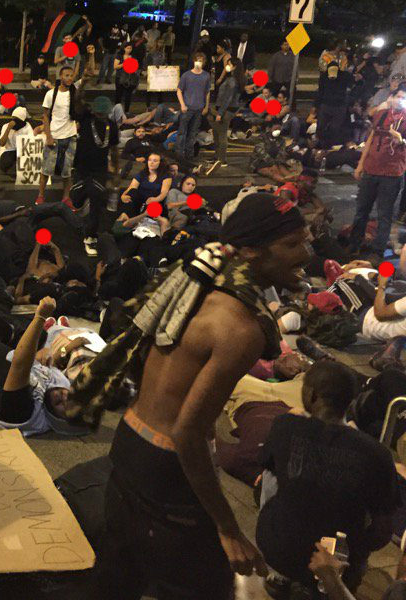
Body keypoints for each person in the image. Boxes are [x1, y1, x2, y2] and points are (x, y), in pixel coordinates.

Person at [76, 193, 313, 599]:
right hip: (168, 470)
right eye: (292, 244)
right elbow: (187, 431)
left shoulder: (196, 286)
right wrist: (228, 528)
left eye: (306, 240)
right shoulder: (242, 329)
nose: (306, 252)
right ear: (252, 250)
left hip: (130, 444)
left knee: (117, 580)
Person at [256, 361, 400, 596]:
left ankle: (280, 576)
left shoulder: (285, 426)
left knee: (270, 477)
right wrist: (355, 551)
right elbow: (382, 531)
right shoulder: (377, 454)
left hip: (279, 549)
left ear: (311, 394)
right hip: (340, 563)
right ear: (351, 401)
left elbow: (271, 486)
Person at [348, 88, 406, 257]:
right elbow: (370, 140)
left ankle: (378, 250)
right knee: (362, 209)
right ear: (391, 98)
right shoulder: (381, 115)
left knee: (384, 213)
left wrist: (400, 139)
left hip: (392, 173)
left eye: (404, 98)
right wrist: (360, 165)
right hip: (371, 169)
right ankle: (354, 243)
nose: (400, 101)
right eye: (398, 97)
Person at [71, 96, 120, 257]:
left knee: (96, 200)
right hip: (81, 169)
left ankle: (90, 237)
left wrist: (115, 171)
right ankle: (82, 196)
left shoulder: (111, 127)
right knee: (77, 200)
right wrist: (83, 82)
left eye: (103, 113)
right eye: (98, 113)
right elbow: (77, 103)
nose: (100, 115)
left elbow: (114, 150)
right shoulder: (86, 118)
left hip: (99, 171)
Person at [36, 66, 81, 205]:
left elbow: (88, 74)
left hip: (70, 136)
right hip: (55, 136)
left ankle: (66, 197)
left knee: (67, 171)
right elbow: (45, 116)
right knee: (46, 169)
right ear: (61, 77)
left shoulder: (75, 92)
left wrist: (91, 55)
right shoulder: (51, 94)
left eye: (71, 75)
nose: (69, 78)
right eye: (66, 75)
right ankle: (41, 196)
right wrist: (48, 136)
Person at [174, 52, 211, 162]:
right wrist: (182, 105)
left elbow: (207, 92)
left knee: (193, 133)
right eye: (197, 60)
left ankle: (189, 155)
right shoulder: (186, 75)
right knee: (182, 132)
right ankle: (179, 155)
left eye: (201, 60)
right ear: (194, 61)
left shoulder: (206, 76)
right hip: (187, 108)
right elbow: (179, 90)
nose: (199, 62)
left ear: (204, 62)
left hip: (199, 109)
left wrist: (206, 106)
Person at [209, 56, 243, 169]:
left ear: (234, 67)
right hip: (224, 108)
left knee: (222, 134)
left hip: (226, 110)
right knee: (217, 132)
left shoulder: (233, 81)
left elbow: (227, 98)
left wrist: (220, 113)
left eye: (229, 64)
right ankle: (217, 156)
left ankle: (222, 159)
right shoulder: (233, 78)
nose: (226, 66)